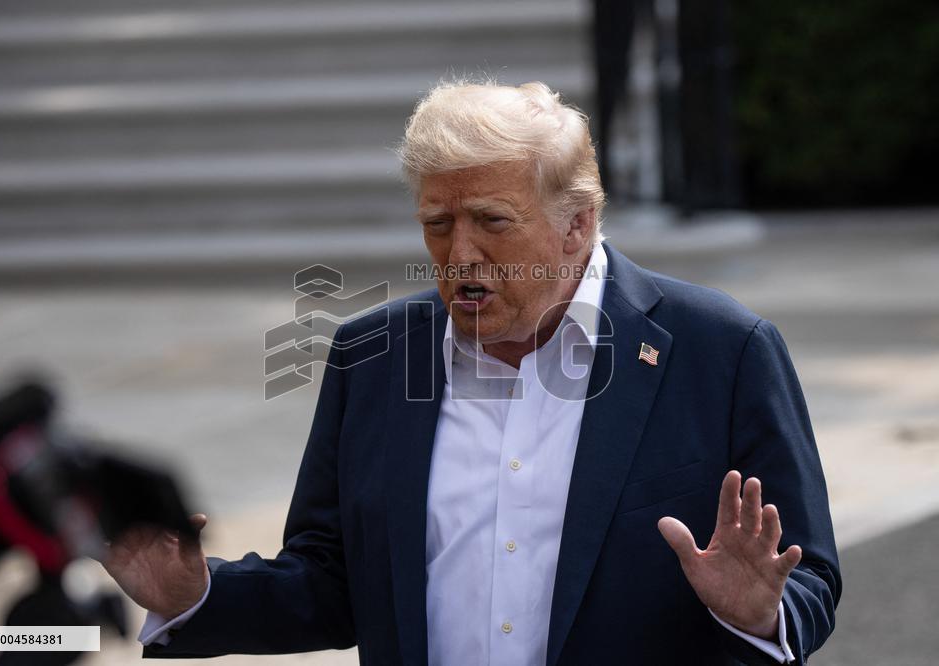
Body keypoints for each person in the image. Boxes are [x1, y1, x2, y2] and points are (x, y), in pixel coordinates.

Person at [103, 80, 840, 665]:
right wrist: (200, 594)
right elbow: (335, 583)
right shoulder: (375, 359)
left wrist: (763, 615)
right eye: (437, 223)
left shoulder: (721, 350)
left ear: (577, 222)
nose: (459, 256)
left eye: (491, 221)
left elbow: (808, 581)